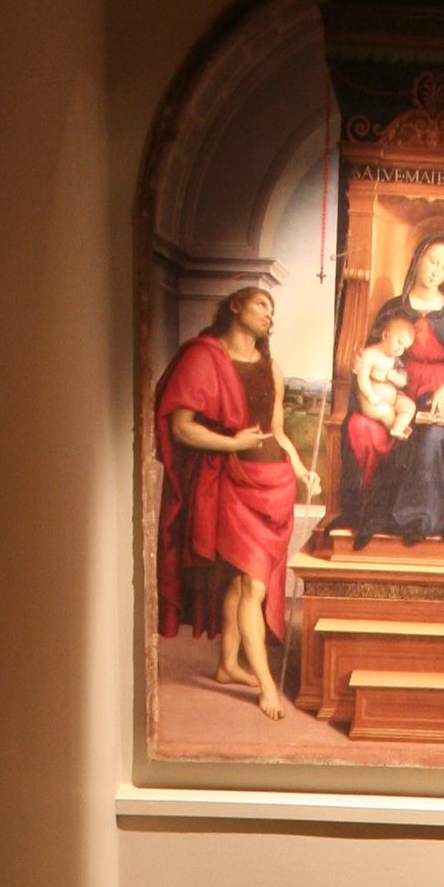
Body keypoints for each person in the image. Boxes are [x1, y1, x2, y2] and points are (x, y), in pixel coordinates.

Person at [153, 286, 317, 719]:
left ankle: (227, 665)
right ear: (235, 305)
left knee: (240, 583)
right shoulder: (204, 357)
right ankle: (266, 685)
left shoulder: (271, 368)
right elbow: (181, 428)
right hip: (233, 484)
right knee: (251, 586)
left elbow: (277, 432)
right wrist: (231, 443)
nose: (269, 313)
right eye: (262, 303)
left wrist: (302, 470)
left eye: (273, 308)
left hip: (275, 486)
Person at [340, 234, 444, 548]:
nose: (437, 272)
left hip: (440, 400)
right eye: (433, 261)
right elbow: (376, 351)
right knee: (358, 426)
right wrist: (365, 363)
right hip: (395, 395)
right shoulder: (394, 309)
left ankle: (418, 521)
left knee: (432, 434)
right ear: (418, 258)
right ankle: (371, 513)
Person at [353, 314, 419, 441]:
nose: (400, 349)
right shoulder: (369, 354)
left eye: (404, 348)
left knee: (409, 406)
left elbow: (403, 382)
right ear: (385, 335)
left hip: (392, 399)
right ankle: (395, 431)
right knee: (387, 412)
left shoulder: (395, 359)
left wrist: (396, 378)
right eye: (399, 342)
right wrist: (371, 395)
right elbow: (362, 379)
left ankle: (398, 429)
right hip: (372, 401)